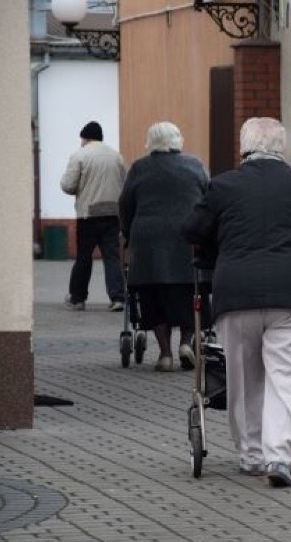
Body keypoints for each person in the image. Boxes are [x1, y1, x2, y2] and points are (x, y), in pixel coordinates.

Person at [182, 117, 291, 487]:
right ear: (282, 148)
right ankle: (279, 457)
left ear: (244, 148)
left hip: (235, 296)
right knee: (287, 379)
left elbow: (191, 230)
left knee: (243, 377)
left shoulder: (223, 186)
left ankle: (251, 455)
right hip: (290, 297)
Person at [119, 122, 209, 372]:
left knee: (153, 296)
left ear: (151, 141)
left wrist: (128, 232)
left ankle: (165, 355)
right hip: (187, 239)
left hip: (149, 242)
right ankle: (186, 343)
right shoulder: (195, 165)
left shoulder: (139, 168)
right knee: (192, 292)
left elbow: (125, 204)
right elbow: (208, 200)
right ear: (177, 139)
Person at [61, 120, 127, 311]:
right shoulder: (116, 156)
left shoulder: (80, 155)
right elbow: (124, 183)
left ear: (85, 138)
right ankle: (117, 298)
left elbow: (68, 185)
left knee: (84, 257)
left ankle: (78, 297)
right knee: (113, 257)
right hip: (112, 213)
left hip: (88, 215)